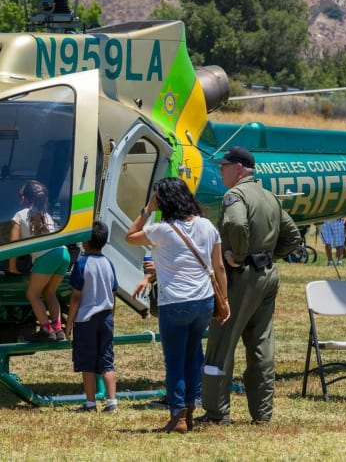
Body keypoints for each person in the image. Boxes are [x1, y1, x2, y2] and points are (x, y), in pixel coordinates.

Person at [198, 146, 300, 426]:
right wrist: (267, 256)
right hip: (267, 275)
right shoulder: (270, 197)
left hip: (241, 276)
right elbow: (293, 237)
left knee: (221, 342)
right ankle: (262, 414)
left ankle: (217, 413)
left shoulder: (235, 195)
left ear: (239, 169)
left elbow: (236, 223)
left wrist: (239, 256)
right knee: (261, 344)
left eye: (224, 166)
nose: (220, 170)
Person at [127, 178, 228, 433]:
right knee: (193, 356)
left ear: (164, 201)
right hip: (204, 300)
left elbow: (130, 236)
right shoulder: (207, 225)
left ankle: (178, 416)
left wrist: (147, 209)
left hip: (175, 302)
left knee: (175, 361)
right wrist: (224, 300)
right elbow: (219, 267)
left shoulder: (162, 230)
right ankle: (191, 412)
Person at [7, 180, 70, 342]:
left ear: (25, 199)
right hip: (63, 253)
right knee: (49, 293)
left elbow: (13, 244)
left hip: (46, 257)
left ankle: (46, 330)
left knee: (32, 294)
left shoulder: (20, 215)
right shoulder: (46, 215)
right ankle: (58, 329)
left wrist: (12, 267)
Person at [66, 221, 119, 414]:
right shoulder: (108, 263)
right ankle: (112, 401)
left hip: (86, 318)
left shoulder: (81, 263)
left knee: (87, 362)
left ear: (86, 242)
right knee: (107, 359)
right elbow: (114, 292)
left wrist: (69, 323)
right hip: (106, 317)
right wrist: (112, 316)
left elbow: (76, 296)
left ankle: (90, 403)